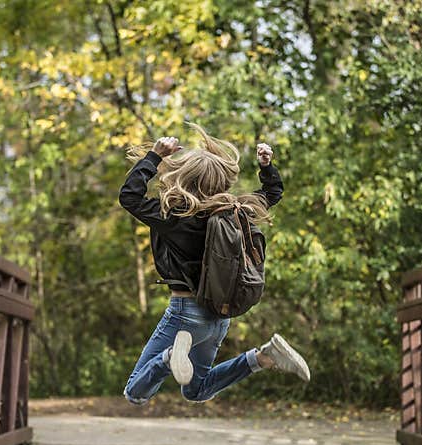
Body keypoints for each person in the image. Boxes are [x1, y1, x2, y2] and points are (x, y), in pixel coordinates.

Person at [118, 122, 310, 406]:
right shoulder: (236, 211)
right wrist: (266, 167)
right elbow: (272, 194)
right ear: (219, 180)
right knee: (197, 390)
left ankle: (170, 357)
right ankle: (263, 357)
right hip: (219, 316)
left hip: (185, 314)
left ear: (184, 176)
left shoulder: (172, 215)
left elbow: (129, 197)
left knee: (135, 393)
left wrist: (154, 156)